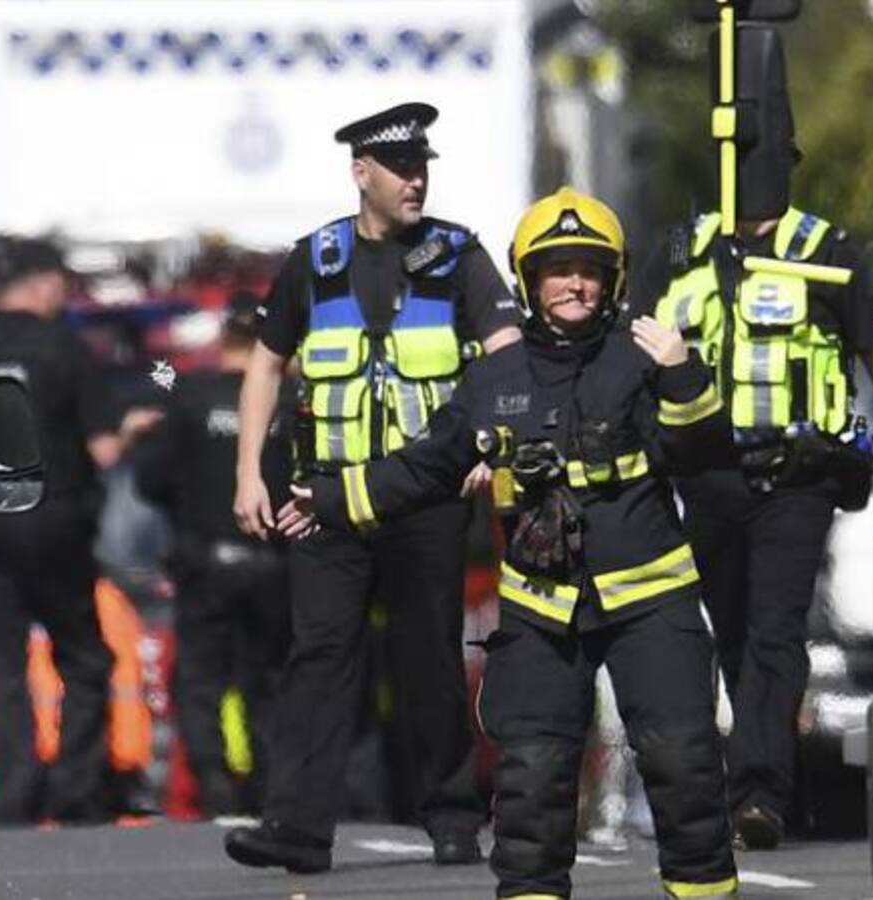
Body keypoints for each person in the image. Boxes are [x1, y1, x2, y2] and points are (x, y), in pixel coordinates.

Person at [278, 187, 740, 899]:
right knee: (529, 786)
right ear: (528, 282)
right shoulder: (493, 379)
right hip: (539, 610)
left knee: (686, 769)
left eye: (588, 269)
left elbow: (704, 453)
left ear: (612, 279)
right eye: (556, 270)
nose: (574, 284)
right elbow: (425, 465)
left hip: (652, 601)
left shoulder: (647, 356)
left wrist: (683, 372)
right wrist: (333, 499)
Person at [225, 102, 521, 871]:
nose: (416, 181)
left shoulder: (458, 255)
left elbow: (505, 351)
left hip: (421, 499)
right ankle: (296, 825)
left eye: (423, 167)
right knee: (320, 655)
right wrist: (248, 472)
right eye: (401, 170)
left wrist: (491, 437)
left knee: (427, 658)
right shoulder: (314, 260)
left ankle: (453, 817)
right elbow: (264, 363)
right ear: (363, 174)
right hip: (322, 499)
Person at [634, 153, 873, 849]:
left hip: (798, 478)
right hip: (706, 479)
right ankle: (765, 781)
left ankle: (760, 794)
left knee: (775, 632)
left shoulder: (829, 254)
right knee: (735, 635)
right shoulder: (679, 253)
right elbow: (630, 356)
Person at [0, 239, 155, 823]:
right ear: (46, 283)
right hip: (51, 520)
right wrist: (133, 428)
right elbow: (102, 451)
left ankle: (7, 797)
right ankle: (77, 791)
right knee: (82, 656)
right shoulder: (61, 345)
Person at [135, 292, 294, 817]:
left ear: (225, 337)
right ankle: (269, 790)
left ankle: (214, 785)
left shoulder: (188, 397)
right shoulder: (289, 401)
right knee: (266, 680)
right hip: (273, 561)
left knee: (201, 680)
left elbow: (149, 478)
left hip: (205, 560)